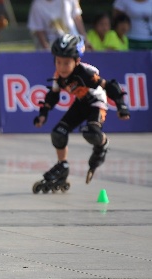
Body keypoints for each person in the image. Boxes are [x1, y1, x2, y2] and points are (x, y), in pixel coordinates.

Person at [32, 34, 130, 193]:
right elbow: (53, 95)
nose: (62, 67)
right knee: (58, 133)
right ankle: (62, 164)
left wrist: (121, 106)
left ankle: (102, 144)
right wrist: (43, 114)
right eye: (58, 62)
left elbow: (109, 85)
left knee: (90, 133)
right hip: (81, 103)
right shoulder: (59, 76)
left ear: (76, 61)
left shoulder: (86, 73)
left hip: (96, 103)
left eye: (66, 63)